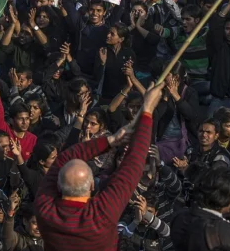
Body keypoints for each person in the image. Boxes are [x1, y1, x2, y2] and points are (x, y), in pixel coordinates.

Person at [34, 79, 163, 249]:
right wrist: (147, 112)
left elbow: (62, 159)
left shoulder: (45, 208)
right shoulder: (101, 214)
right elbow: (132, 167)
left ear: (58, 184)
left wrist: (110, 140)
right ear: (91, 187)